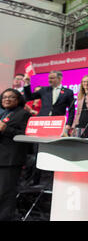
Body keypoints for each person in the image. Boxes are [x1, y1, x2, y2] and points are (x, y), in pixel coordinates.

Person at [0, 89, 31, 221]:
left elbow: (26, 135)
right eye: (4, 97)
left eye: (11, 97)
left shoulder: (23, 114)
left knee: (5, 193)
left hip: (10, 160)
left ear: (18, 100)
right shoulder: (1, 113)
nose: (7, 99)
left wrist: (6, 129)